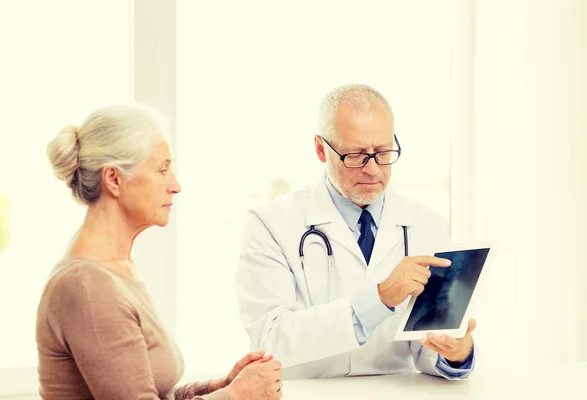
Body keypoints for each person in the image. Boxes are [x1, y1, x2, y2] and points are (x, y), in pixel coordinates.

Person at [36, 104, 283, 399]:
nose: (175, 185)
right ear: (114, 179)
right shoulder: (87, 286)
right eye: (162, 169)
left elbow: (148, 392)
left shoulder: (116, 269)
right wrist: (238, 395)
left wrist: (217, 387)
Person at [235, 84, 476, 380]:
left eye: (384, 152)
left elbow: (426, 349)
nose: (373, 169)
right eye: (356, 155)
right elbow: (270, 338)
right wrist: (381, 298)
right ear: (321, 149)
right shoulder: (270, 224)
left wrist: (456, 352)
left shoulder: (428, 225)